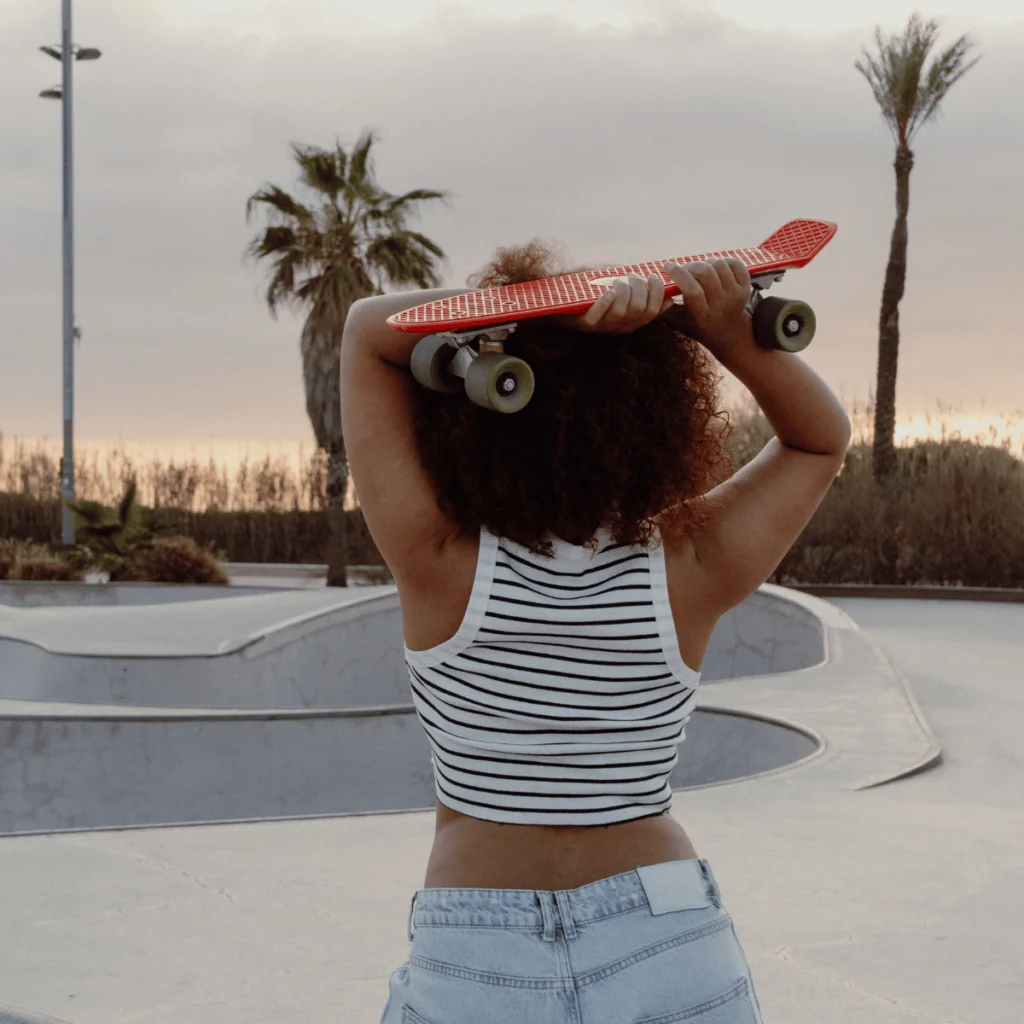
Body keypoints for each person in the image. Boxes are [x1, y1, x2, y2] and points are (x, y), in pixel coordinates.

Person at [341, 240, 851, 1024]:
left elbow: (369, 334)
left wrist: (546, 311)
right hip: (667, 931)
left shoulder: (439, 560)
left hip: (481, 939)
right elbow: (819, 439)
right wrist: (714, 327)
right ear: (661, 418)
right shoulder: (688, 565)